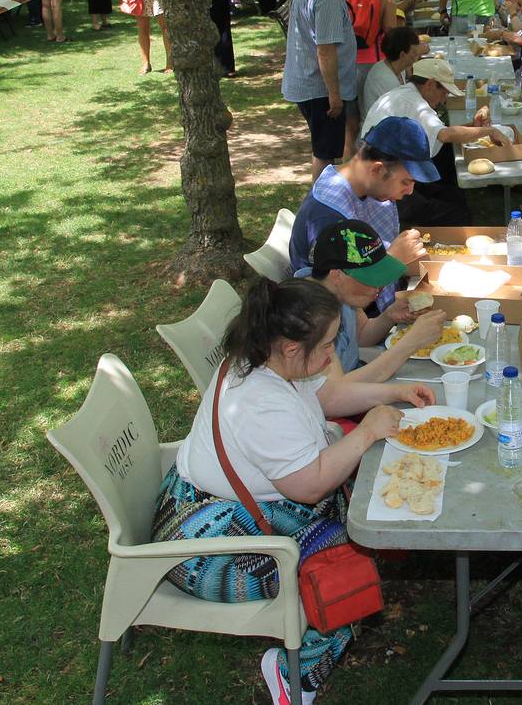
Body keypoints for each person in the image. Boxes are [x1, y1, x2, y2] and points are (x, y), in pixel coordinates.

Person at [150, 276, 434, 704]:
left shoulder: (267, 357)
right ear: (290, 347)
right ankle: (294, 675)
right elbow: (309, 486)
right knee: (347, 559)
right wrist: (365, 434)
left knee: (368, 503)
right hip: (203, 546)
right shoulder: (258, 402)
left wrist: (394, 391)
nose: (329, 358)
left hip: (234, 504)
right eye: (325, 348)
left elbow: (326, 396)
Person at [287, 115, 435, 311]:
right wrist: (393, 259)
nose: (410, 191)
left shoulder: (366, 188)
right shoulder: (329, 217)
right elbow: (338, 298)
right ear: (376, 169)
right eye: (406, 182)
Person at [360, 59, 509, 226]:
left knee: (451, 191)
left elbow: (438, 133)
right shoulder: (416, 103)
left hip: (387, 169)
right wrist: (490, 131)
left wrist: (473, 127)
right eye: (444, 92)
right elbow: (444, 135)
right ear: (430, 84)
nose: (444, 99)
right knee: (457, 213)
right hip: (386, 180)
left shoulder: (404, 94)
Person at [299, 220, 448, 381]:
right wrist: (411, 342)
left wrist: (389, 316)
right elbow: (335, 393)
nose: (379, 285)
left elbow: (361, 335)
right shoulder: (306, 316)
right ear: (337, 275)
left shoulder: (338, 292)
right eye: (369, 279)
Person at [284, 0, 368, 183]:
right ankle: (322, 205)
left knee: (326, 148)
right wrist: (335, 94)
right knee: (326, 152)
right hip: (320, 87)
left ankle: (326, 199)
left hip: (309, 80)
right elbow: (326, 49)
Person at [349, 0, 402, 119]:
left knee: (352, 121)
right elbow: (392, 37)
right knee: (372, 117)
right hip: (374, 64)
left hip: (348, 62)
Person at [360, 25, 421, 107]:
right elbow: (401, 109)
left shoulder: (399, 67)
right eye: (414, 52)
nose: (417, 55)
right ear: (402, 55)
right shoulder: (385, 78)